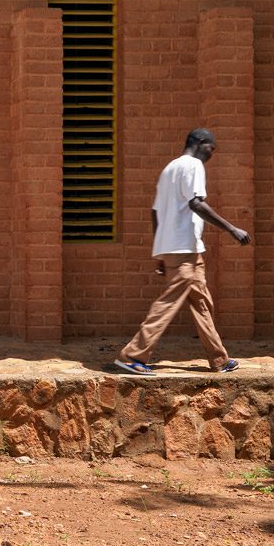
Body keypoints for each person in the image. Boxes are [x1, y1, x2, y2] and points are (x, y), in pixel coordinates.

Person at [109, 129, 250, 374]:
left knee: (202, 303)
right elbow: (195, 203)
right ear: (200, 143)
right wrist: (231, 228)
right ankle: (132, 355)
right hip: (184, 248)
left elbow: (155, 212)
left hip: (183, 249)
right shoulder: (193, 166)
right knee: (168, 303)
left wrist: (161, 250)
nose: (211, 154)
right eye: (211, 148)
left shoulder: (168, 170)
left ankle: (218, 359)